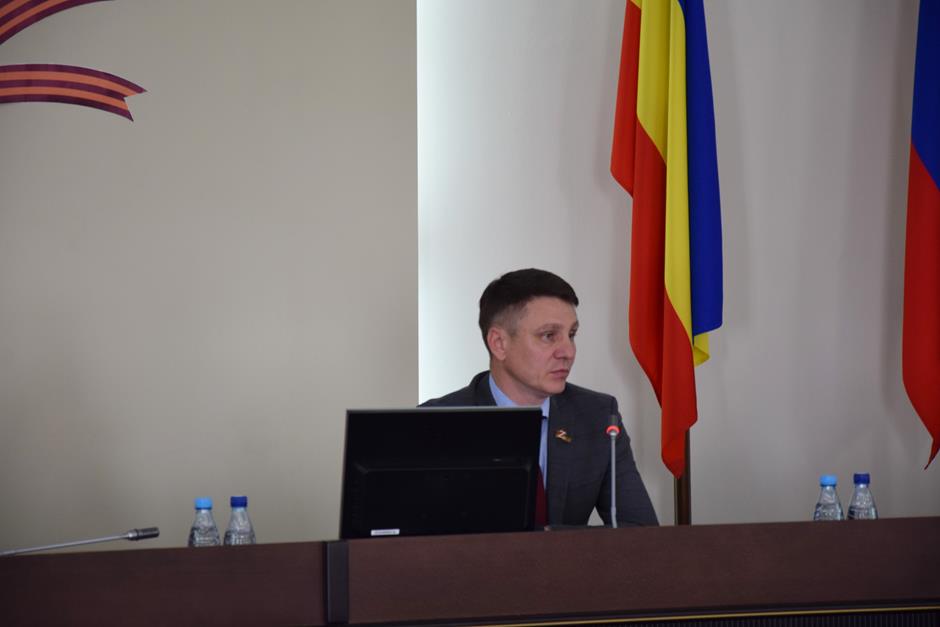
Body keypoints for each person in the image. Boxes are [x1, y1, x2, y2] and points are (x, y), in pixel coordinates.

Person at [422, 268, 658, 527]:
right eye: (548, 336)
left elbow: (640, 531)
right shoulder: (435, 424)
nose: (568, 351)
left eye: (571, 335)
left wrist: (550, 546)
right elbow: (417, 541)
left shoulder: (598, 415)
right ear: (499, 344)